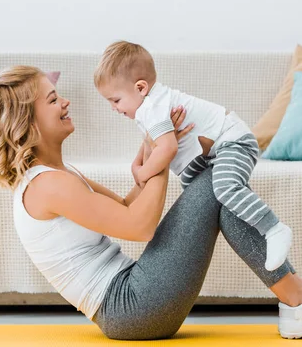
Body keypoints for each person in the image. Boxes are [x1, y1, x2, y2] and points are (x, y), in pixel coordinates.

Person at [0, 65, 302, 340]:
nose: (65, 103)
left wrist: (154, 148)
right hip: (131, 309)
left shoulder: (59, 177)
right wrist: (165, 149)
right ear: (26, 123)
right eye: (52, 100)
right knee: (218, 182)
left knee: (215, 178)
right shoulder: (46, 187)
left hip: (136, 300)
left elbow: (129, 204)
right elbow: (140, 226)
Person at [94, 40, 291, 271]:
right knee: (192, 185)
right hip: (211, 154)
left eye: (115, 100)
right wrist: (137, 167)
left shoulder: (153, 107)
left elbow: (167, 149)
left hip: (233, 141)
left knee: (225, 187)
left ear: (140, 88)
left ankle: (274, 228)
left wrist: (142, 174)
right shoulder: (151, 106)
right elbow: (152, 142)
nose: (114, 108)